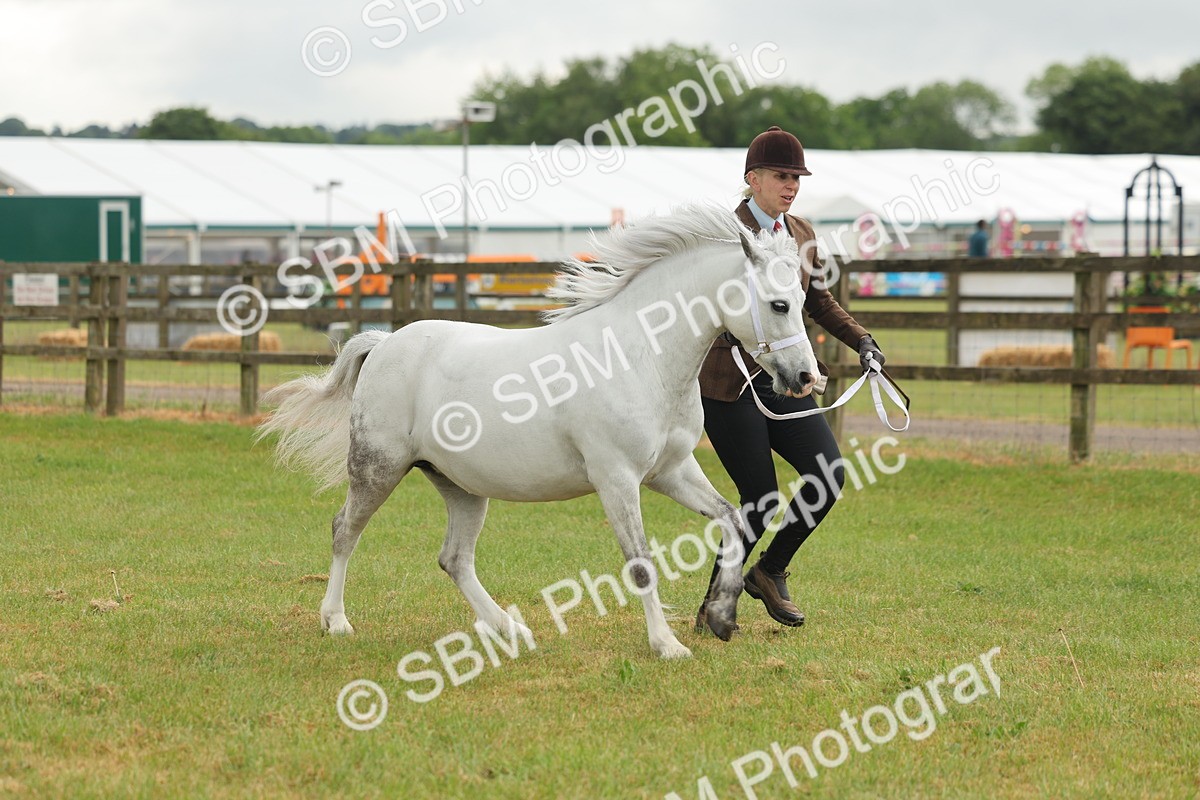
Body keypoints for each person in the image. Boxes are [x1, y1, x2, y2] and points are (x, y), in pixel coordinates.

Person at [695, 126, 886, 631]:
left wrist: (862, 340)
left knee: (828, 473)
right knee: (759, 497)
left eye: (796, 178)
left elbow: (818, 301)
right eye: (782, 176)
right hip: (730, 382)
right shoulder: (723, 234)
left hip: (782, 379)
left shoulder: (801, 234)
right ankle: (716, 603)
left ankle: (770, 569)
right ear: (752, 178)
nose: (791, 185)